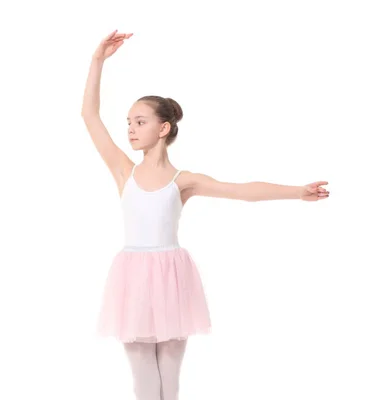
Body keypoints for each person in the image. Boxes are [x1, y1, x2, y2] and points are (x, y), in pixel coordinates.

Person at [80, 30, 330, 400]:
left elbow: (243, 191)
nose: (130, 129)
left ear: (163, 129)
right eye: (129, 122)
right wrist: (98, 59)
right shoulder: (123, 170)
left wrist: (296, 192)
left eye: (140, 121)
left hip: (171, 275)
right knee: (143, 377)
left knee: (170, 374)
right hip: (132, 277)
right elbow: (89, 115)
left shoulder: (185, 181)